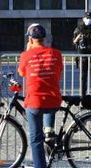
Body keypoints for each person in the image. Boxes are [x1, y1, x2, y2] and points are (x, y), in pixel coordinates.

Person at [18, 23, 63, 168]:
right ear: (44, 39)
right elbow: (58, 73)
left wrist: (28, 51)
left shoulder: (26, 55)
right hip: (54, 101)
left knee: (36, 139)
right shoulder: (56, 54)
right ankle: (49, 132)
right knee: (49, 109)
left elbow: (22, 73)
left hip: (35, 102)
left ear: (30, 40)